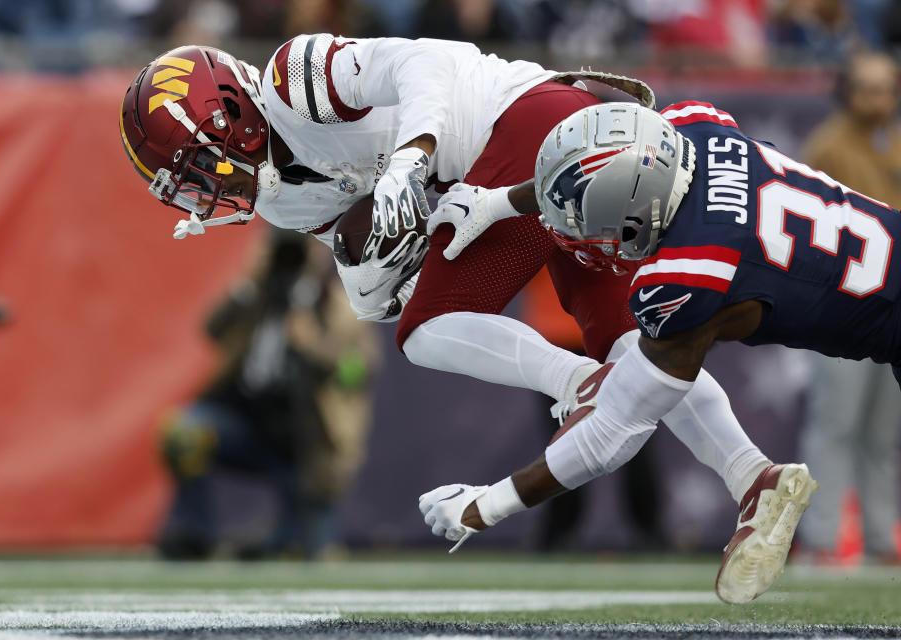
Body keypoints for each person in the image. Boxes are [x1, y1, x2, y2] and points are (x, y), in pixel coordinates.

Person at [120, 38, 778, 572]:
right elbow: (367, 270)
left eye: (197, 170)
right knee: (633, 344)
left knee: (427, 331)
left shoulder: (295, 78)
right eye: (185, 186)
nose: (201, 196)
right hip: (501, 174)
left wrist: (413, 156)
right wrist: (372, 277)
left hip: (524, 124)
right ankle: (754, 476)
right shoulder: (276, 197)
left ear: (229, 112)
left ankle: (579, 385)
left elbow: (423, 62)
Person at [416, 98, 901, 603]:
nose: (581, 238)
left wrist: (487, 505)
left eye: (592, 224)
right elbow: (601, 164)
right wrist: (499, 204)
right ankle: (753, 477)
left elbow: (609, 433)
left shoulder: (686, 276)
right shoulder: (698, 127)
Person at [159, 231, 377, 559]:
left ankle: (283, 536)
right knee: (184, 432)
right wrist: (248, 282)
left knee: (301, 552)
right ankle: (195, 532)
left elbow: (359, 372)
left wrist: (314, 346)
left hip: (305, 442)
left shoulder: (334, 306)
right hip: (246, 426)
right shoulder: (255, 300)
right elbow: (211, 330)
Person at [796, 51, 901, 565]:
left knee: (885, 432)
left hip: (895, 306)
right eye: (867, 88)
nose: (878, 100)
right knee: (836, 423)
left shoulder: (897, 141)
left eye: (886, 88)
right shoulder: (826, 146)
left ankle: (884, 537)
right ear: (846, 91)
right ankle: (825, 537)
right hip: (843, 303)